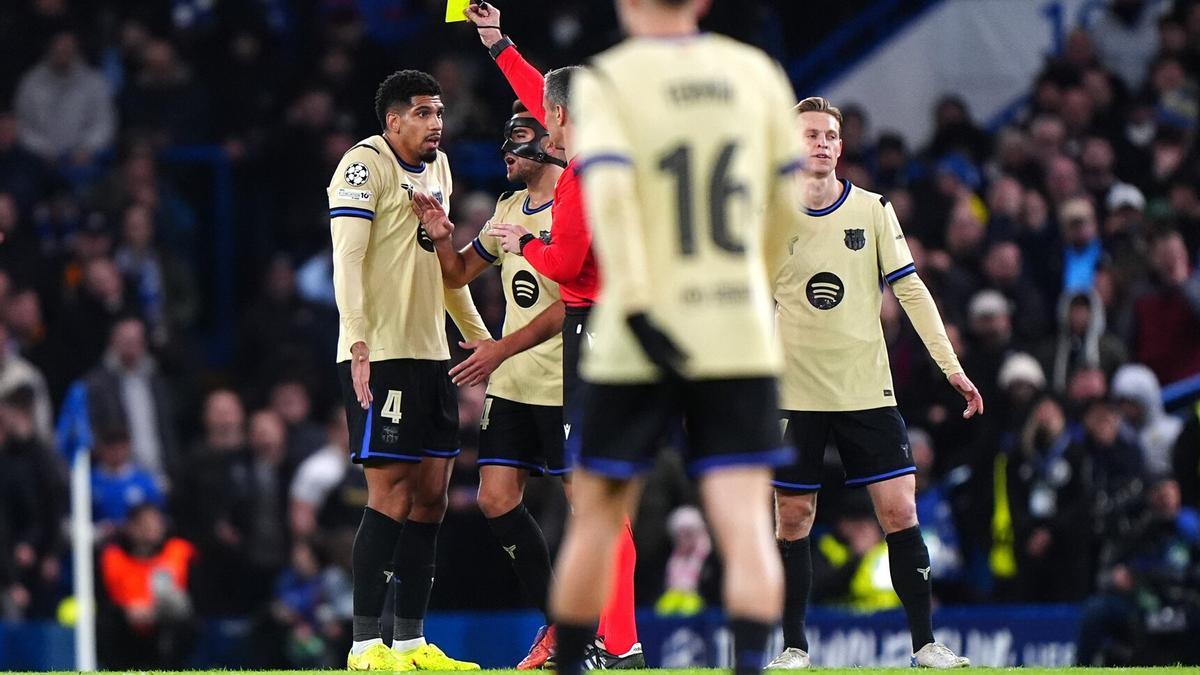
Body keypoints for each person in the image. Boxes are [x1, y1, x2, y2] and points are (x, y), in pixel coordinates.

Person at [547, 0, 805, 672]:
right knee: (747, 521)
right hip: (737, 328)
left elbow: (607, 199)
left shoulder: (607, 80)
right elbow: (788, 205)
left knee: (596, 514)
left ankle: (575, 664)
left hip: (639, 329)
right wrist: (745, 279)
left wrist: (637, 303)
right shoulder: (756, 74)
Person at [768, 97, 981, 669]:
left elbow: (911, 291)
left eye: (829, 135)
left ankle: (924, 643)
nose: (820, 142)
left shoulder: (873, 209)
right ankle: (792, 646)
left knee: (899, 511)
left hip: (865, 388)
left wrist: (951, 367)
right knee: (793, 519)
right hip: (794, 395)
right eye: (809, 133)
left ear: (841, 146)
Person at [463, 3, 642, 667]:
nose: (535, 116)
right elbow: (545, 88)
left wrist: (526, 241)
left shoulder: (584, 173)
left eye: (543, 112)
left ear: (558, 120)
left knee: (597, 495)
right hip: (610, 330)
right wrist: (499, 43)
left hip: (597, 333)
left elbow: (565, 266)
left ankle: (620, 643)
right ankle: (615, 642)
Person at [328, 69, 488, 671]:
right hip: (383, 354)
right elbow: (347, 259)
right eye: (423, 113)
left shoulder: (440, 170)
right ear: (392, 120)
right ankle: (365, 644)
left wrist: (479, 341)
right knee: (389, 494)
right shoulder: (361, 167)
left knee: (431, 499)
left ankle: (411, 643)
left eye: (440, 112)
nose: (436, 124)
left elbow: (441, 267)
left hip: (432, 355)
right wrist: (359, 341)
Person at [412, 102, 569, 668]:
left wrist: (498, 347)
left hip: (566, 380)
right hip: (513, 383)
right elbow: (457, 274)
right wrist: (439, 237)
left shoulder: (573, 213)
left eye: (519, 137)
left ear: (551, 144)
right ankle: (558, 625)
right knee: (495, 498)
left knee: (587, 508)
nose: (507, 149)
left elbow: (571, 307)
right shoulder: (506, 208)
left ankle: (611, 634)